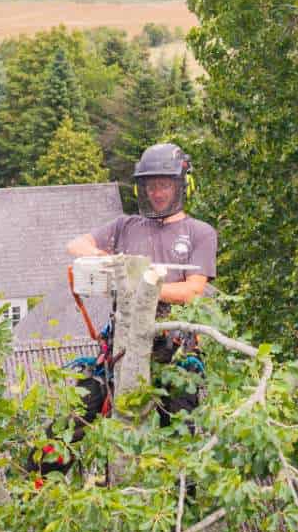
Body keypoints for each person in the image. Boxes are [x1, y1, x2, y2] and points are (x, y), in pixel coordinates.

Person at [65, 142, 218, 424]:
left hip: (173, 349)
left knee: (179, 429)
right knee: (76, 415)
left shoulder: (199, 232)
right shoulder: (126, 226)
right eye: (151, 187)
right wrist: (104, 258)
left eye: (164, 186)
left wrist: (143, 286)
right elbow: (76, 245)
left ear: (181, 186)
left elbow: (193, 292)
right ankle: (41, 468)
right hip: (122, 341)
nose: (157, 193)